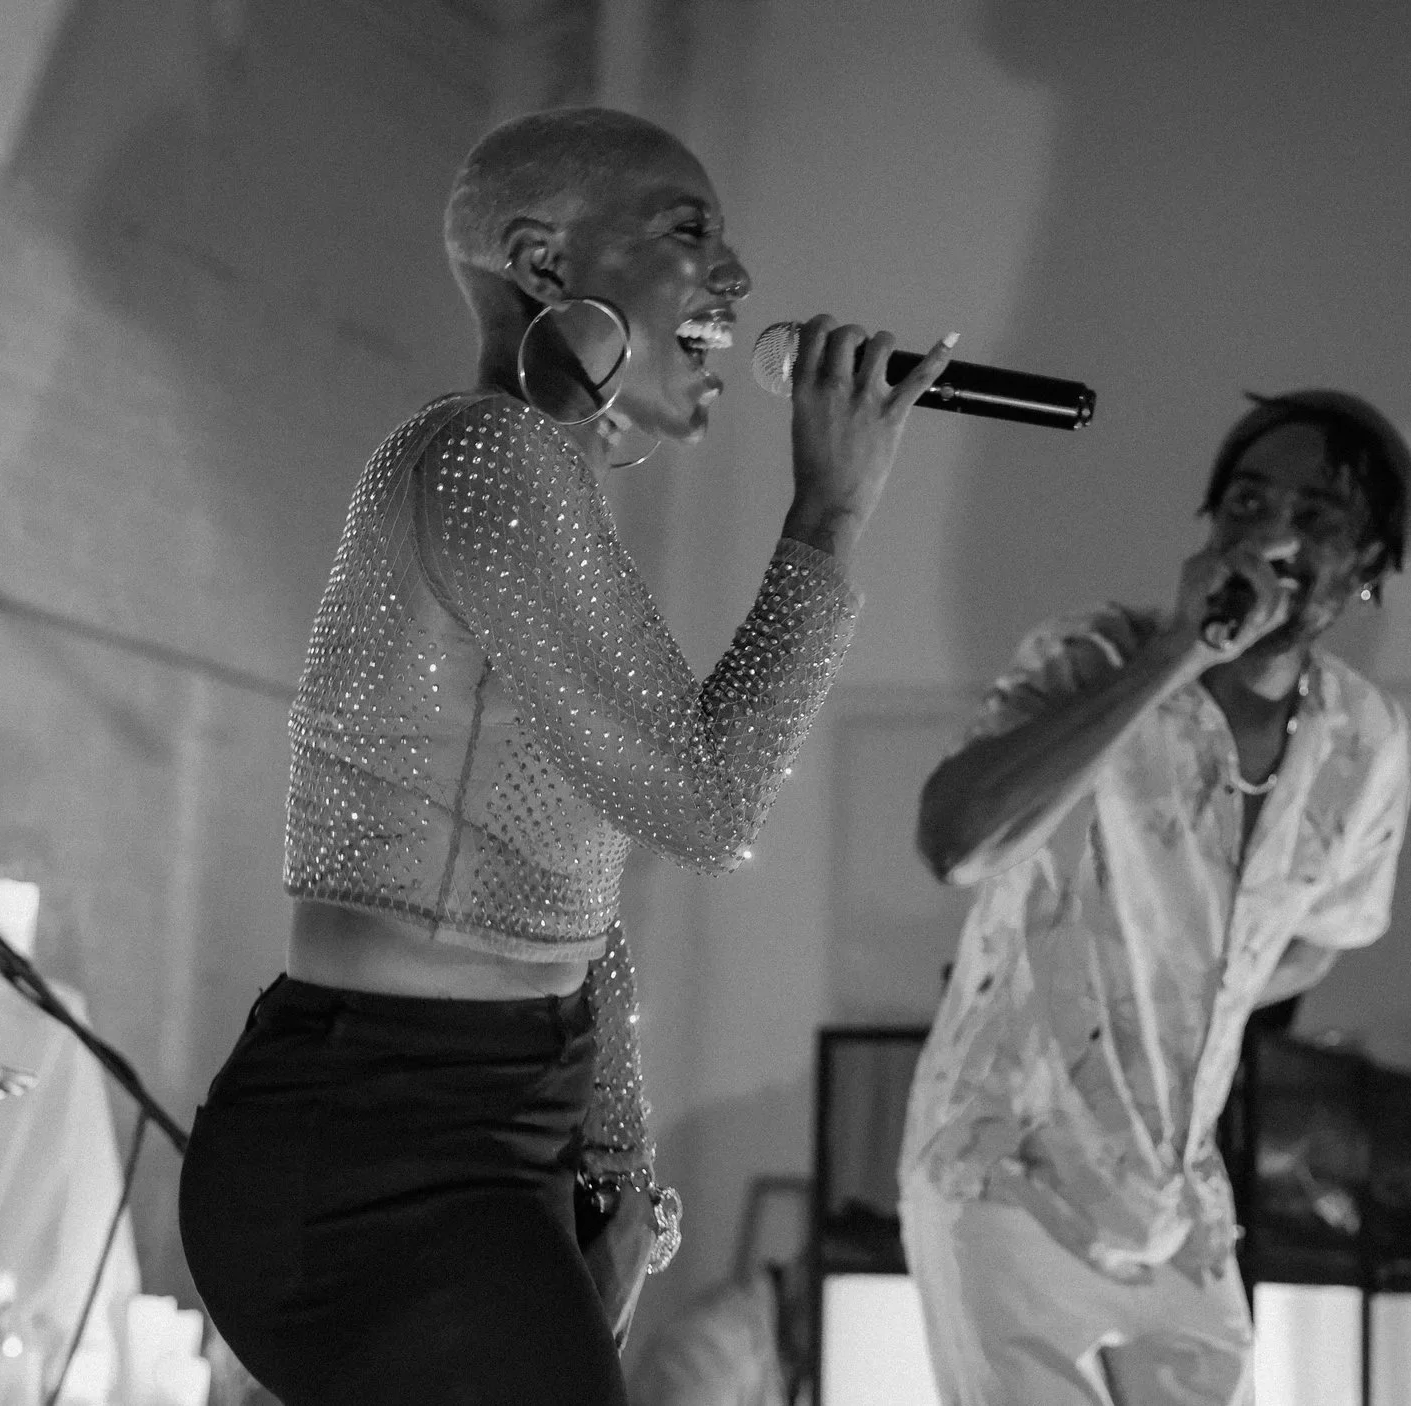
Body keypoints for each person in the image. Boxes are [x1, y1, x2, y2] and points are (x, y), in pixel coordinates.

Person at [176, 107, 949, 1406]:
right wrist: (830, 512)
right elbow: (708, 804)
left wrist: (613, 1171)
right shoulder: (489, 453)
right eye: (688, 230)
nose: (739, 281)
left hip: (461, 1131)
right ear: (543, 261)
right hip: (385, 1144)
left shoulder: (530, 478)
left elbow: (562, 882)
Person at [896, 391, 1411, 1406]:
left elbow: (1316, 938)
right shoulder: (1093, 656)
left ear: (1367, 568)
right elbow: (953, 838)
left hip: (1174, 1199)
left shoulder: (1364, 740)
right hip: (1003, 1161)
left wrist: (1184, 988)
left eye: (1315, 516)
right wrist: (1180, 650)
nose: (1270, 534)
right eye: (1246, 501)